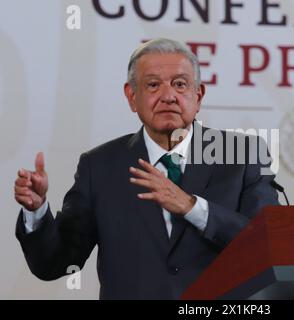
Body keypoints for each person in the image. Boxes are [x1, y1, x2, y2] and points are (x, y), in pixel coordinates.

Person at [14, 38, 279, 299]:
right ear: (131, 96)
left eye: (180, 84)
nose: (168, 96)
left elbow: (268, 246)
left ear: (198, 96)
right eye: (153, 85)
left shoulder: (243, 155)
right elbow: (56, 263)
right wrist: (36, 211)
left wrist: (192, 207)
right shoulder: (100, 166)